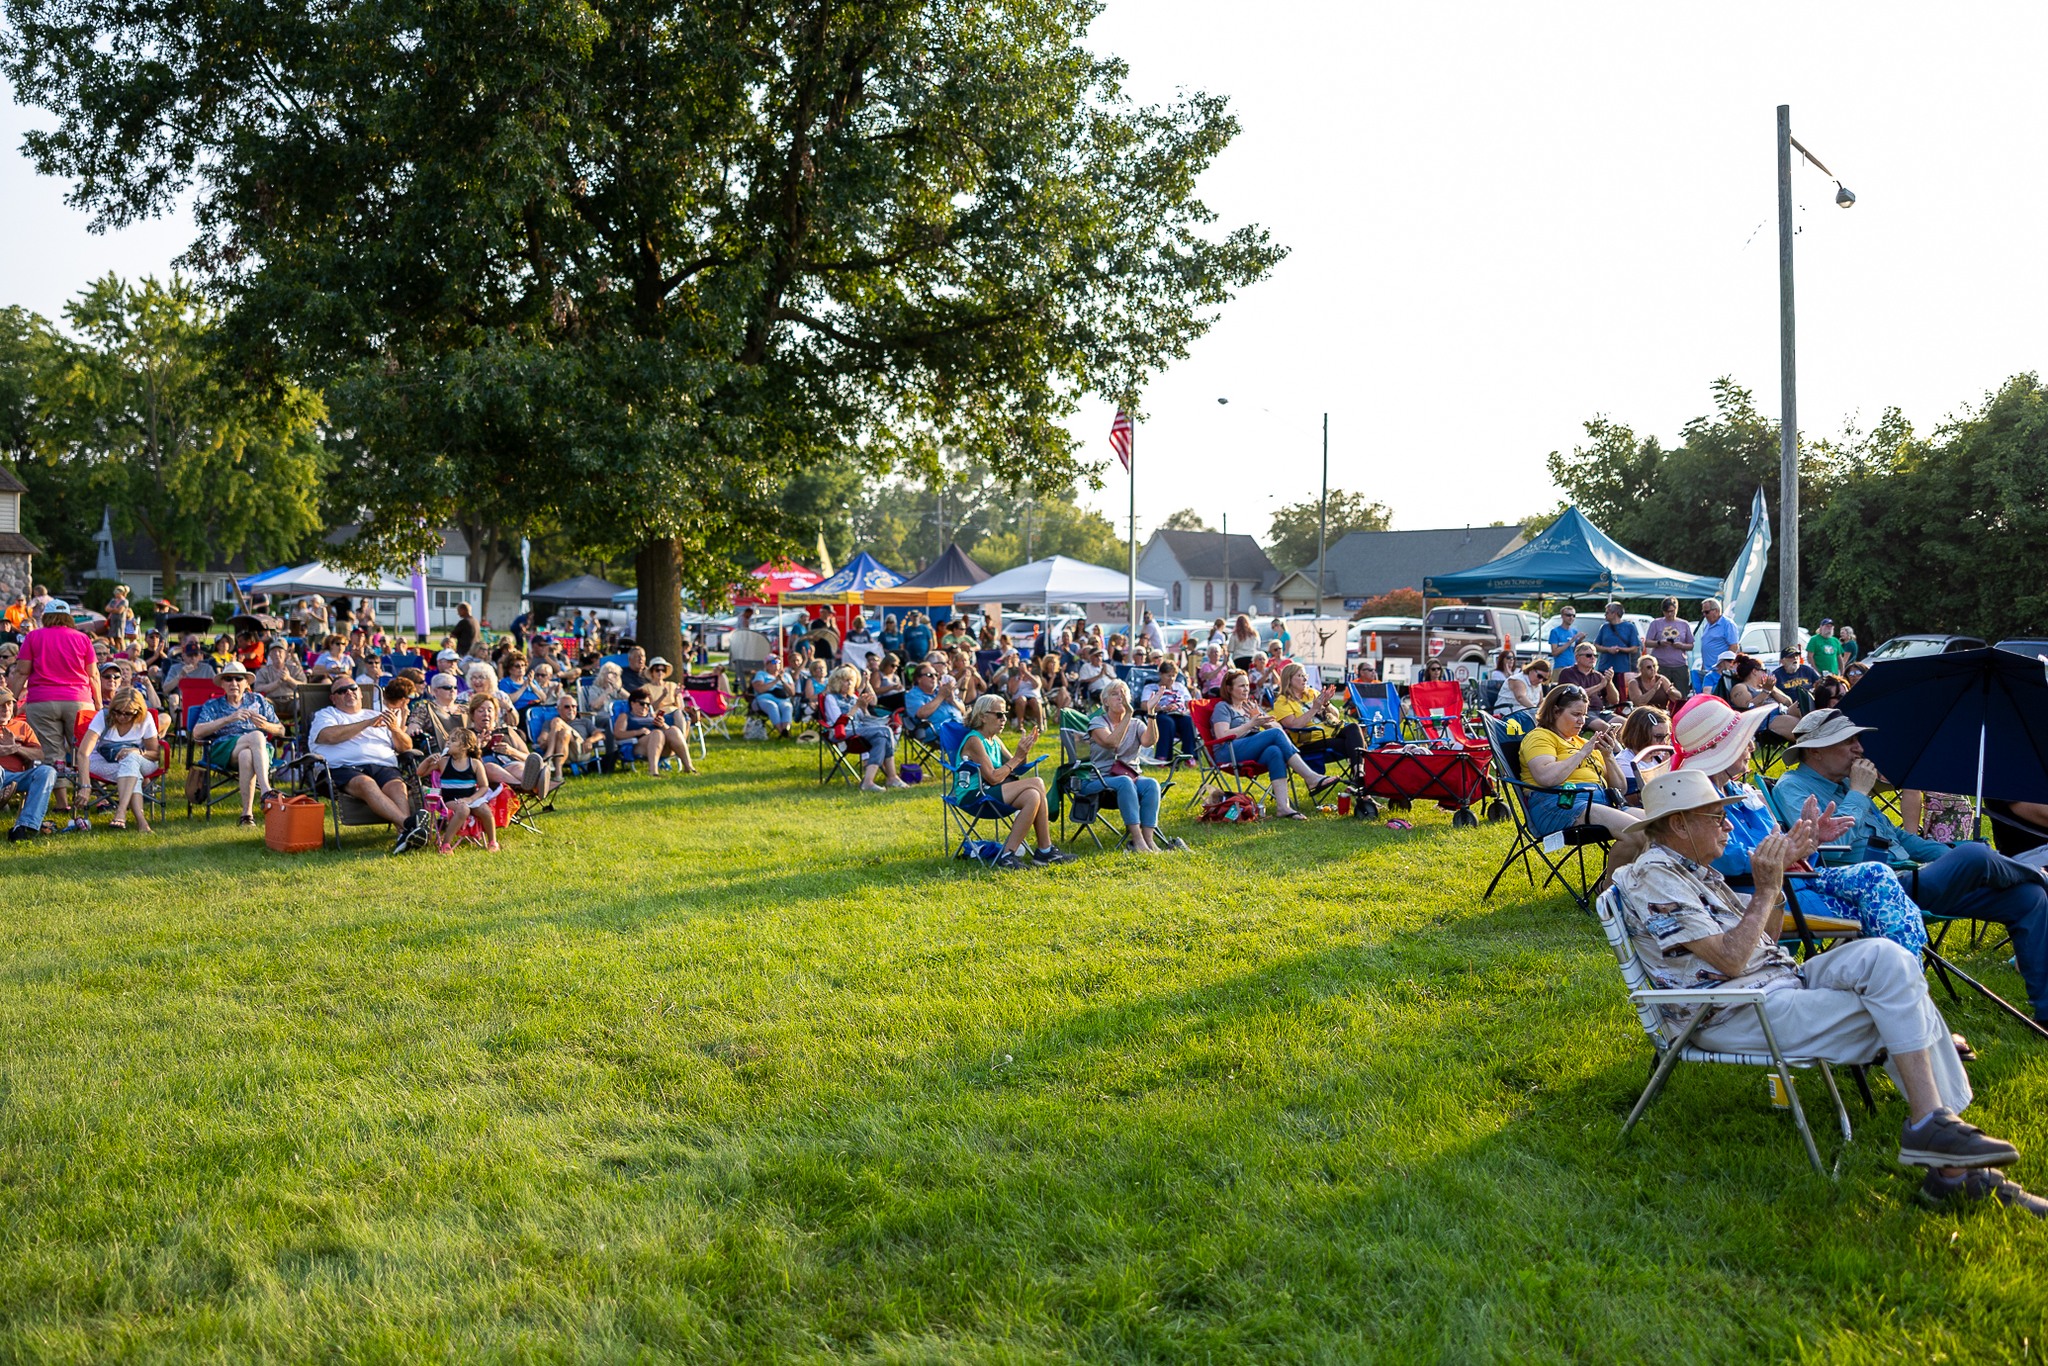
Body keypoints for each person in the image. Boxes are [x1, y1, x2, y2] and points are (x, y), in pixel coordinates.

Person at [1610, 767, 2037, 1209]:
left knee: (1890, 959)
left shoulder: (1697, 871)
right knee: (1898, 1004)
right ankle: (1952, 1167)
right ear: (1680, 823)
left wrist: (1784, 871)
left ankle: (1934, 1127)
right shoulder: (1654, 876)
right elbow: (1732, 960)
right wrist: (1766, 887)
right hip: (1732, 1010)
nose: (1729, 825)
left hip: (1776, 984)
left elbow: (1766, 942)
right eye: (1717, 817)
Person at [1773, 709, 2048, 1028]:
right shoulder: (1792, 787)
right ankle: (2033, 873)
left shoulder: (1844, 783)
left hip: (1914, 880)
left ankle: (2046, 1013)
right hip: (1873, 892)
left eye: (1858, 740)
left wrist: (1946, 853)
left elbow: (1899, 838)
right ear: (1815, 750)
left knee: (2027, 898)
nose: (1859, 749)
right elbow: (1831, 849)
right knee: (1975, 856)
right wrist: (1859, 793)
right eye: (1848, 741)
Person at [1650, 695, 1930, 954]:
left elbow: (1782, 842)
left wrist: (1811, 839)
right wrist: (1787, 849)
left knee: (1878, 878)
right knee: (1883, 900)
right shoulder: (1699, 804)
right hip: (1767, 893)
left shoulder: (1742, 791)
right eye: (1743, 740)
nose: (1752, 746)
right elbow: (1725, 860)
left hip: (1800, 880)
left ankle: (1897, 979)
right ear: (1721, 749)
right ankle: (1902, 983)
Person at [310, 676, 428, 852]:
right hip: (343, 768)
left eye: (352, 688)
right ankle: (408, 824)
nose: (349, 692)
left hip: (383, 765)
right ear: (333, 698)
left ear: (360, 693)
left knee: (397, 786)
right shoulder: (326, 715)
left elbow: (405, 747)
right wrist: (368, 723)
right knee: (366, 783)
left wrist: (395, 729)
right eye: (342, 691)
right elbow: (329, 736)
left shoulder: (378, 714)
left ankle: (403, 835)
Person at [953, 693, 1066, 870]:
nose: (1004, 719)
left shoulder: (994, 740)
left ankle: (1010, 854)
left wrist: (1024, 750)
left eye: (1005, 714)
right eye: (999, 715)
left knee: (1032, 795)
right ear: (983, 717)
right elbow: (993, 776)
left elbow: (1016, 763)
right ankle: (1045, 850)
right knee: (1036, 783)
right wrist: (1018, 757)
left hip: (992, 791)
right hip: (974, 796)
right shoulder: (975, 740)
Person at [1209, 669, 1341, 820]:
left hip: (1250, 748)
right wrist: (1251, 724)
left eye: (1247, 685)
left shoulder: (1251, 706)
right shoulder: (1223, 707)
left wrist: (1260, 720)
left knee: (1274, 752)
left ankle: (1283, 807)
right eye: (1241, 686)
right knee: (1275, 736)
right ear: (1229, 689)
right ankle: (1311, 778)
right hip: (1228, 751)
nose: (1246, 689)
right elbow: (1222, 735)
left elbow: (1278, 727)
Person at [1514, 684, 1642, 837]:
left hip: (1600, 801)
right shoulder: (1540, 736)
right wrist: (1581, 754)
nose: (1582, 721)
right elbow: (1546, 777)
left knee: (1660, 828)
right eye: (1576, 714)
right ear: (1555, 712)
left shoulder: (1581, 742)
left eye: (1584, 715)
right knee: (1637, 831)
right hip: (1560, 805)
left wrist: (1608, 756)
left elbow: (1621, 789)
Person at [1076, 681, 1178, 853]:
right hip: (1099, 781)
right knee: (1124, 781)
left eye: (1124, 693)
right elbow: (1112, 742)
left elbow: (1149, 741)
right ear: (1105, 701)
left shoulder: (1136, 724)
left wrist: (1151, 713)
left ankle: (1148, 841)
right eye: (1116, 693)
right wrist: (1129, 714)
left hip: (1131, 778)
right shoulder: (1097, 723)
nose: (1121, 697)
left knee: (1151, 783)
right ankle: (1137, 841)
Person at [8, 599, 103, 769]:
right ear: (68, 618)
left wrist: (13, 699)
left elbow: (21, 672)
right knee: (82, 750)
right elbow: (94, 675)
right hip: (79, 700)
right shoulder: (82, 638)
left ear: (46, 617)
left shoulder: (33, 636)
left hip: (42, 701)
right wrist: (98, 703)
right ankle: (83, 788)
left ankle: (61, 794)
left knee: (53, 756)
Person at [188, 661, 286, 823]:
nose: (234, 683)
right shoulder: (213, 705)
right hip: (224, 750)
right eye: (228, 679)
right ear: (222, 684)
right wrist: (228, 719)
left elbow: (281, 730)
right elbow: (197, 733)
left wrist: (265, 725)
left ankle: (246, 815)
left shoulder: (259, 701)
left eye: (238, 679)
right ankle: (266, 790)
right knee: (256, 736)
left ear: (246, 683)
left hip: (259, 752)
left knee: (247, 755)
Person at [80, 687, 162, 833]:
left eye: (128, 713)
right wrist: (85, 786)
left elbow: (155, 754)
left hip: (144, 761)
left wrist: (137, 751)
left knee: (130, 760)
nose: (121, 717)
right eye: (117, 712)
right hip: (105, 762)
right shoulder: (103, 716)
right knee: (131, 772)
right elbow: (83, 753)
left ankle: (121, 811)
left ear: (138, 711)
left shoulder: (146, 719)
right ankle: (142, 823)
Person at [1270, 662, 1366, 774]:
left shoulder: (1311, 693)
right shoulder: (1282, 702)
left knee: (1354, 728)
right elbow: (1293, 725)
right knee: (1357, 745)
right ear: (1289, 679)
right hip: (1311, 741)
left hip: (1332, 731)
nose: (1305, 679)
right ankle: (1360, 778)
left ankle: (1358, 772)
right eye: (1300, 676)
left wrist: (1326, 704)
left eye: (1305, 676)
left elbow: (1336, 715)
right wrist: (1314, 709)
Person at [822, 666, 907, 791]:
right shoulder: (831, 698)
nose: (850, 683)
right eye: (846, 680)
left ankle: (869, 781)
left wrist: (864, 708)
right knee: (885, 731)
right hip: (842, 732)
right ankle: (891, 777)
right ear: (837, 682)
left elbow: (864, 718)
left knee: (882, 737)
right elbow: (838, 721)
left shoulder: (853, 697)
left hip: (860, 729)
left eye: (851, 680)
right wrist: (856, 706)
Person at [420, 725, 500, 853]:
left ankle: (492, 842)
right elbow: (420, 773)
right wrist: (429, 759)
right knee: (463, 809)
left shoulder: (475, 764)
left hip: (471, 798)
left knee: (485, 810)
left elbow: (484, 786)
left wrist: (471, 799)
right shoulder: (443, 762)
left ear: (465, 746)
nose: (448, 743)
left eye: (452, 741)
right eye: (449, 740)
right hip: (450, 800)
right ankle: (446, 844)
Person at [0, 687, 58, 842]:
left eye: (8, 704)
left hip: (16, 778)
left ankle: (24, 826)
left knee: (47, 771)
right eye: (1, 705)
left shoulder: (22, 727)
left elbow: (39, 755)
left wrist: (16, 748)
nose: (6, 709)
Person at [1726, 654, 1801, 740]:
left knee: (1802, 703)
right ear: (1754, 671)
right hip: (1764, 718)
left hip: (1782, 711)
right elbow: (1747, 708)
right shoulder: (1740, 687)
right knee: (1801, 726)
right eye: (1764, 670)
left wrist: (1772, 690)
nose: (1766, 673)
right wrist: (1765, 692)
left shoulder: (1765, 686)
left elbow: (1788, 702)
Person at [1142, 659, 1200, 767]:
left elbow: (1189, 703)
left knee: (1189, 721)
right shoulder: (1150, 687)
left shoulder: (1180, 687)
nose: (1172, 679)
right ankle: (1162, 757)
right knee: (1167, 723)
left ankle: (1190, 756)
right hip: (1161, 714)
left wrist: (1179, 707)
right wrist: (1163, 707)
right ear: (1161, 674)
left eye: (1174, 676)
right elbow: (1144, 704)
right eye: (1168, 676)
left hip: (1179, 713)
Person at [612, 688, 681, 776]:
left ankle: (689, 767)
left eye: (648, 704)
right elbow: (618, 734)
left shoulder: (652, 715)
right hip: (639, 746)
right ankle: (653, 771)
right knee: (657, 733)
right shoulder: (625, 716)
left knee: (673, 729)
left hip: (663, 746)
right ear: (632, 703)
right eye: (642, 703)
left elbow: (668, 731)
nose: (645, 707)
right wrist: (638, 732)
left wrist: (663, 724)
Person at [1613, 705, 1672, 803]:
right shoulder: (1624, 763)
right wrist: (1663, 770)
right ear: (1640, 735)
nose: (1664, 743)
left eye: (1666, 737)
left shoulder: (1662, 754)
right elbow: (1637, 800)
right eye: (1658, 737)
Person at [1644, 599, 1693, 697]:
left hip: (1679, 665)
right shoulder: (1656, 623)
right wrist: (1659, 643)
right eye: (1667, 612)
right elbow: (1647, 642)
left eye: (1672, 611)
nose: (1669, 614)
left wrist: (1681, 645)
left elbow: (1691, 645)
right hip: (1661, 665)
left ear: (1676, 609)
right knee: (1660, 694)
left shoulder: (1684, 624)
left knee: (1681, 695)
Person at [1553, 642, 1618, 711]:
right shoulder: (1567, 673)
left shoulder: (1598, 676)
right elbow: (1575, 696)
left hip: (1601, 712)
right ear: (1577, 658)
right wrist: (1600, 686)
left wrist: (1609, 682)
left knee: (1624, 721)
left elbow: (1614, 701)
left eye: (1595, 656)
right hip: (1580, 713)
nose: (1593, 658)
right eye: (1589, 655)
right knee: (1600, 722)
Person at [252, 640, 308, 715]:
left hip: (292, 700)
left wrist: (288, 679)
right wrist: (277, 683)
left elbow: (304, 687)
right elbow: (257, 688)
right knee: (261, 703)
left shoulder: (295, 669)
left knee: (304, 703)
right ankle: (265, 726)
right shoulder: (263, 671)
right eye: (274, 652)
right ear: (270, 655)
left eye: (280, 651)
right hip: (272, 701)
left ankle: (305, 726)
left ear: (285, 654)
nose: (277, 654)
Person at [1492, 656, 1550, 726]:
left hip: (1525, 715)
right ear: (1531, 669)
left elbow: (1540, 701)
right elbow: (1520, 697)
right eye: (1540, 676)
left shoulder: (1538, 684)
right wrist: (1536, 711)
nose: (1541, 680)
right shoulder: (1517, 680)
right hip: (1508, 714)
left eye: (1544, 679)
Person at [1592, 602, 1640, 686]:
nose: (1605, 615)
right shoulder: (1604, 627)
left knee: (1620, 695)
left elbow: (1634, 648)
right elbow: (1596, 646)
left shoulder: (1629, 627)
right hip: (1604, 668)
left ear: (1615, 613)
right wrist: (1608, 649)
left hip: (1622, 669)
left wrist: (1620, 649)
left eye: (1607, 612)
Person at [1694, 599, 1739, 684]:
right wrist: (1703, 667)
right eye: (1703, 612)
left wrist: (1725, 666)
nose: (1704, 615)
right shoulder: (1707, 625)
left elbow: (1734, 646)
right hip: (1708, 670)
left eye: (1706, 612)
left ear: (1716, 611)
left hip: (1720, 672)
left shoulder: (1728, 624)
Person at [1773, 646, 1821, 713]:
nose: (1795, 658)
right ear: (1782, 661)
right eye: (1791, 657)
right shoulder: (1777, 675)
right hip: (1789, 709)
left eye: (1797, 656)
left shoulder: (1807, 670)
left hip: (1811, 705)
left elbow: (1820, 684)